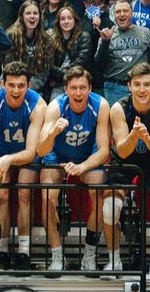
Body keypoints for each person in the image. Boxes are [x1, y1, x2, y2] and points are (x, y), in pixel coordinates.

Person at [36, 67, 110, 271]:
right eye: (74, 88)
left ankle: (89, 254)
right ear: (66, 90)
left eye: (83, 88)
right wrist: (53, 133)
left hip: (87, 157)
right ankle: (57, 255)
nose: (78, 93)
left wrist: (82, 167)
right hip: (57, 156)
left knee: (99, 195)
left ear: (90, 89)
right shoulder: (55, 107)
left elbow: (104, 151)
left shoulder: (101, 105)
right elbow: (41, 149)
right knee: (47, 196)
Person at [103, 63, 150, 271]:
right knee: (110, 209)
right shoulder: (119, 108)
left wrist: (147, 138)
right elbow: (123, 151)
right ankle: (114, 261)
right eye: (137, 84)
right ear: (129, 86)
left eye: (146, 84)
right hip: (124, 162)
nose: (142, 89)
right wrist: (135, 135)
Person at [0, 61, 45, 270]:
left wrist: (9, 159)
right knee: (3, 195)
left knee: (24, 192)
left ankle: (24, 251)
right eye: (11, 85)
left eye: (21, 85)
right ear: (3, 84)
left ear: (28, 86)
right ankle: (2, 249)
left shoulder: (38, 105)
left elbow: (31, 152)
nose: (16, 90)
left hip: (24, 154)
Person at [95, 0, 150, 104]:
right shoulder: (107, 34)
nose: (122, 14)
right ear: (114, 15)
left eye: (125, 11)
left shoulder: (146, 32)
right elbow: (99, 65)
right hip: (114, 88)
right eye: (118, 12)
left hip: (141, 86)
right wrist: (105, 42)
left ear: (132, 13)